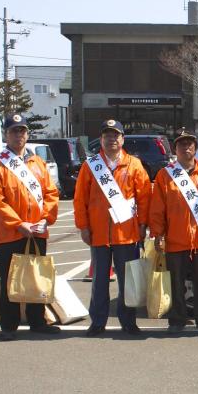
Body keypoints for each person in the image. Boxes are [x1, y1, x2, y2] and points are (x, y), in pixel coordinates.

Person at [0, 114, 61, 341]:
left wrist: (46, 219)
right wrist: (18, 224)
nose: (19, 135)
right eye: (14, 131)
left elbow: (51, 193)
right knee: (10, 279)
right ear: (6, 134)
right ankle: (9, 325)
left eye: (22, 131)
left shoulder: (37, 163)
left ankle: (37, 321)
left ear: (28, 134)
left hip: (37, 230)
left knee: (36, 278)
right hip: (11, 233)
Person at [73, 119, 151, 336]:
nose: (111, 139)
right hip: (98, 234)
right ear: (101, 139)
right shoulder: (91, 166)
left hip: (126, 234)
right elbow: (80, 199)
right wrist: (83, 226)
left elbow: (144, 198)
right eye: (107, 135)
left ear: (122, 139)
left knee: (129, 280)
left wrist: (143, 224)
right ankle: (98, 322)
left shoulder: (134, 164)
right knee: (99, 281)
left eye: (115, 135)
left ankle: (128, 321)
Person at [149, 129, 198, 333]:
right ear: (175, 148)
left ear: (195, 147)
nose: (186, 147)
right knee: (176, 283)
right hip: (175, 238)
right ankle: (177, 320)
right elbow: (157, 208)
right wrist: (158, 234)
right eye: (182, 144)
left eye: (190, 143)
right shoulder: (165, 175)